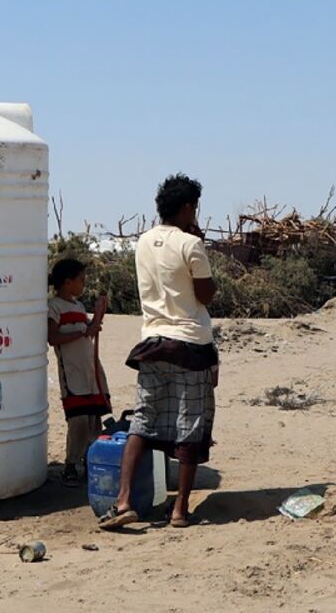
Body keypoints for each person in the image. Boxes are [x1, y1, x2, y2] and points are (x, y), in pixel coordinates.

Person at [99, 174, 217, 530]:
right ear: (187, 208)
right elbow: (207, 295)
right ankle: (180, 509)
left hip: (152, 342)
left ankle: (122, 502)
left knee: (143, 423)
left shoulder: (143, 242)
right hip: (190, 343)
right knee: (190, 427)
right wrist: (197, 243)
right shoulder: (190, 245)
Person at [47, 258, 111, 486]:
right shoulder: (54, 306)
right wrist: (85, 330)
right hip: (72, 374)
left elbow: (89, 333)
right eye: (81, 280)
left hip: (89, 370)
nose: (84, 284)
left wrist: (98, 314)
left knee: (93, 419)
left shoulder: (78, 306)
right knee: (78, 421)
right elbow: (53, 338)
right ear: (67, 282)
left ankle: (88, 461)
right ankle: (71, 464)